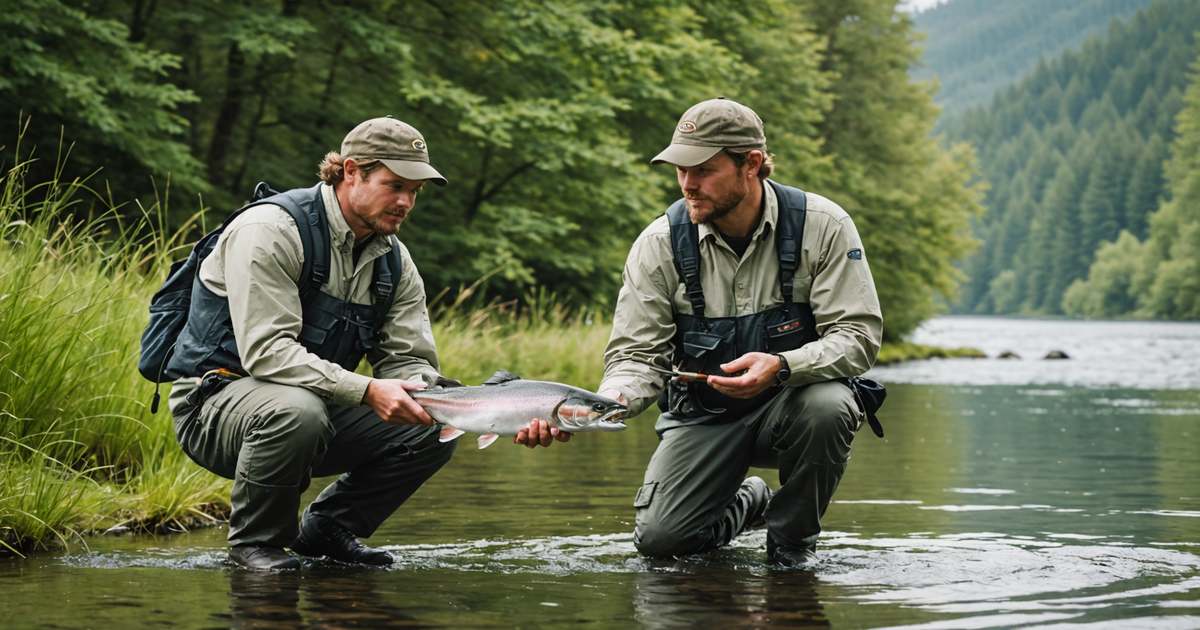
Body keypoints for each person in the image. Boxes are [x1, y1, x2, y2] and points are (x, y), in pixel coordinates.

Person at [167, 117, 559, 571]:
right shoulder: (270, 230)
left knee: (431, 421)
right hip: (215, 407)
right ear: (351, 172)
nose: (406, 202)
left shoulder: (394, 260)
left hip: (312, 409)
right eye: (395, 185)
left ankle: (327, 529)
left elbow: (409, 362)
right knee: (296, 411)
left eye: (415, 191)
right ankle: (257, 545)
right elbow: (267, 351)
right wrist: (369, 391)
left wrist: (494, 409)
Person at [595, 98, 883, 569]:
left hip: (794, 407)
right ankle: (749, 500)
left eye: (703, 170)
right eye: (680, 170)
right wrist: (606, 405)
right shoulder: (658, 244)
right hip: (704, 417)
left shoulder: (824, 227)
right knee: (662, 545)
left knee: (830, 405)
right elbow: (635, 357)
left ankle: (791, 549)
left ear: (751, 164)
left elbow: (858, 336)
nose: (688, 184)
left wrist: (785, 366)